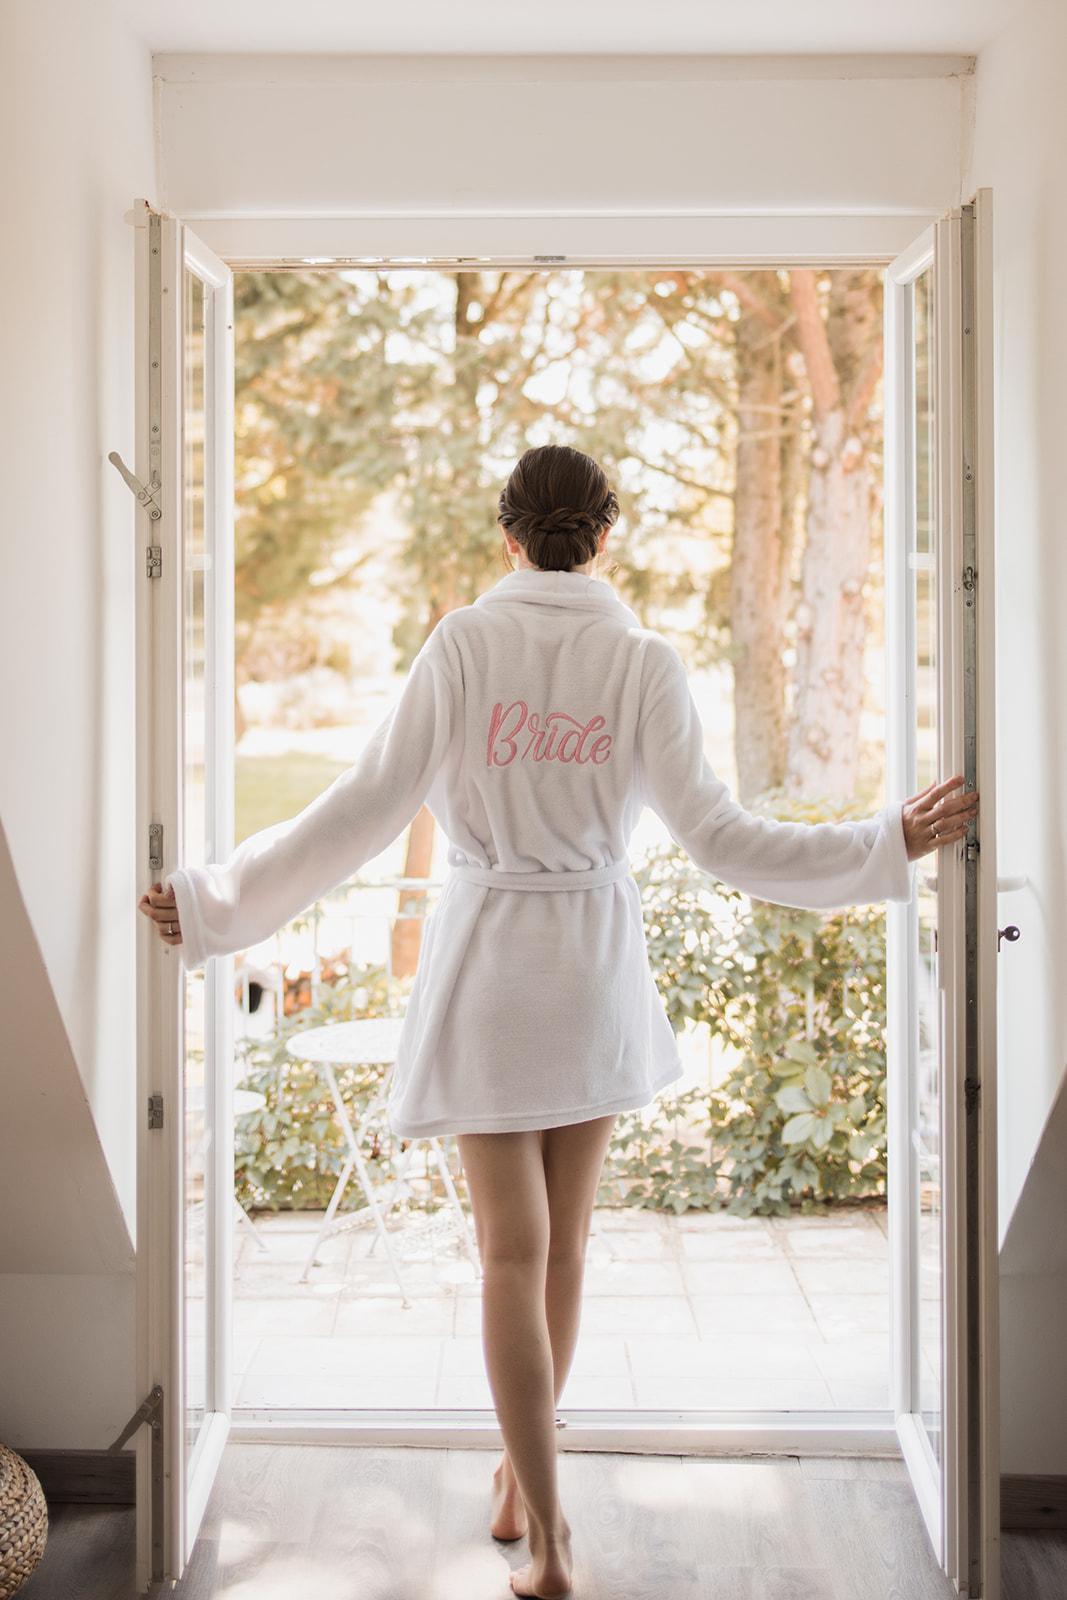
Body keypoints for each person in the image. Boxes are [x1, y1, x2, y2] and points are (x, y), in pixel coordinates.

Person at [139, 442, 979, 1599]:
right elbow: (726, 840)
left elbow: (360, 811)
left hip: (490, 968)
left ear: (506, 535)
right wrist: (881, 840)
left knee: (505, 1257)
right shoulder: (641, 662)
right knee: (566, 1249)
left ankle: (548, 1535)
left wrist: (211, 901)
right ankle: (522, 1487)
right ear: (605, 534)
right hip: (588, 968)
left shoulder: (464, 645)